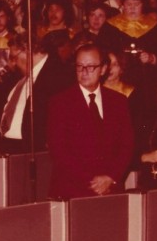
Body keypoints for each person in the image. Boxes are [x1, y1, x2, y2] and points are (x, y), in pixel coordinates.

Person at [46, 44, 134, 199]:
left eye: (91, 66)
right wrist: (94, 184)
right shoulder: (60, 103)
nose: (84, 72)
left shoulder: (118, 101)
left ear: (103, 69)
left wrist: (110, 178)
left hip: (111, 188)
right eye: (80, 66)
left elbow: (127, 146)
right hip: (73, 191)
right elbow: (60, 152)